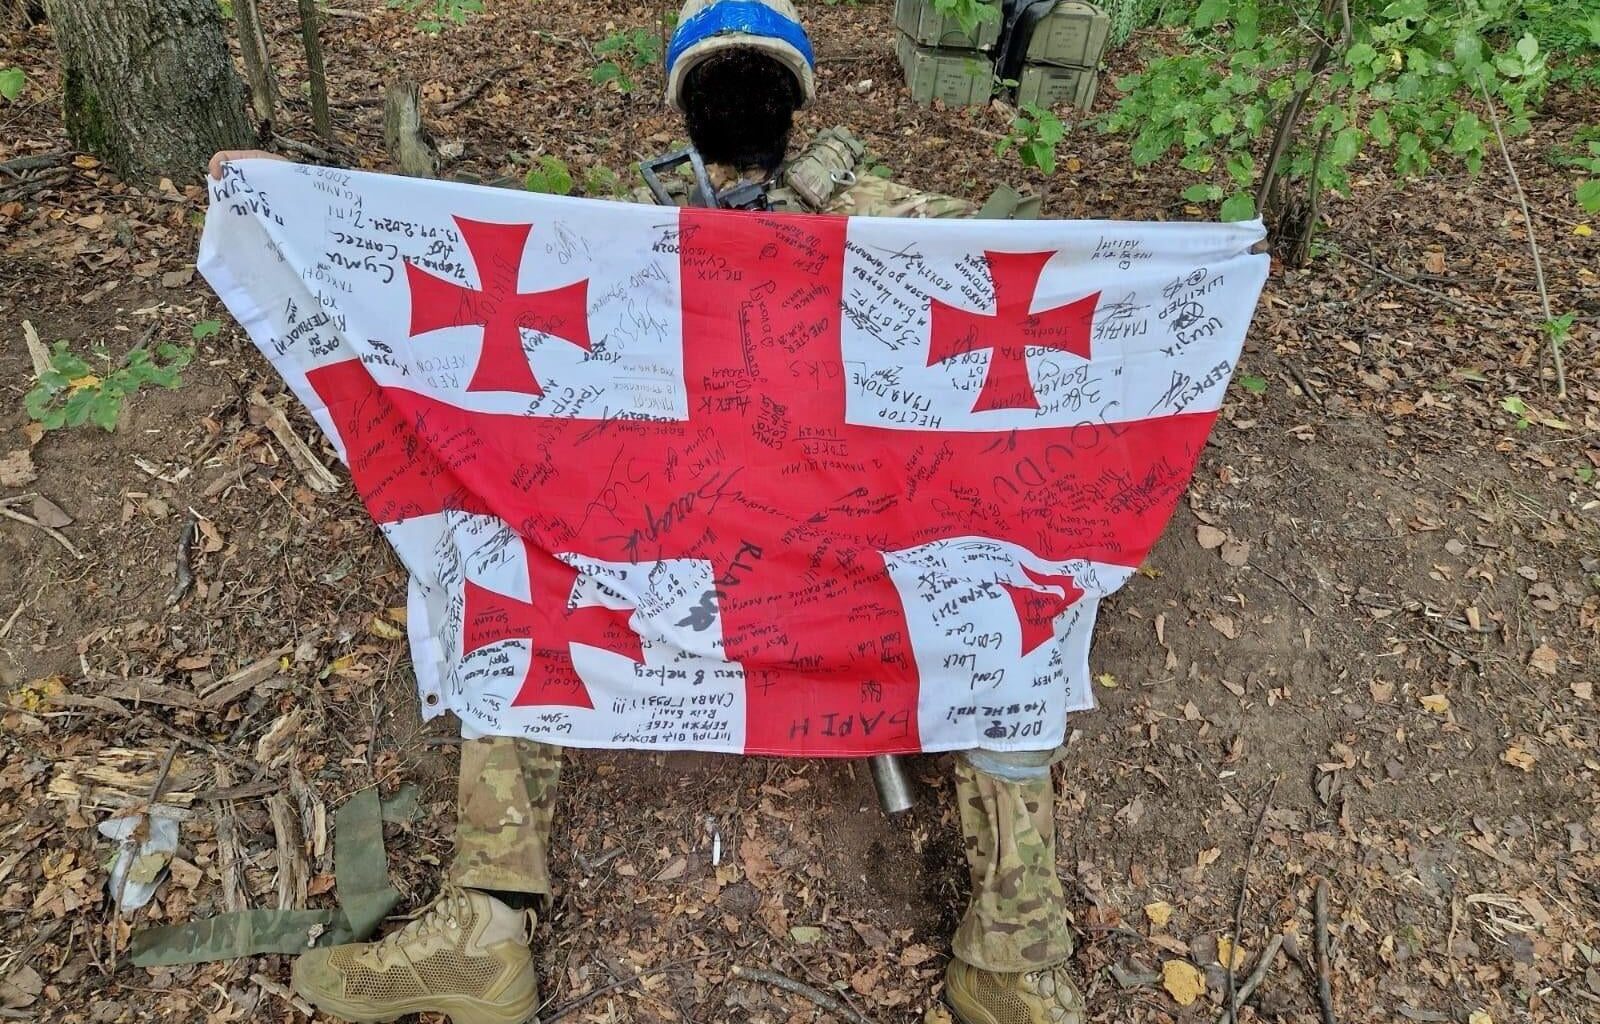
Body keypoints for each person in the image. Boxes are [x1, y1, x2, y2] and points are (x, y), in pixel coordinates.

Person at [209, 2, 1082, 1022]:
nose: (737, 98)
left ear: (792, 100)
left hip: (844, 551)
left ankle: (1014, 956)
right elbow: (474, 277)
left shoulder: (900, 225)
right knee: (506, 564)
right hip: (681, 541)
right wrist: (276, 200)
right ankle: (484, 931)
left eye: (752, 78)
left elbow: (1024, 316)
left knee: (1008, 598)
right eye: (721, 78)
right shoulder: (626, 231)